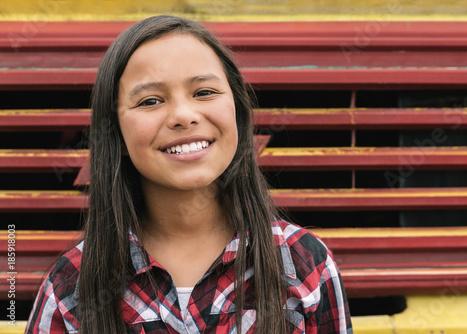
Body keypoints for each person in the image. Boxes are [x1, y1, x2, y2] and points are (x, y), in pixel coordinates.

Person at [25, 15, 352, 334]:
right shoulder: (71, 288)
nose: (183, 115)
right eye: (150, 100)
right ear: (117, 135)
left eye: (204, 92)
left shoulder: (306, 265)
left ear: (237, 111)